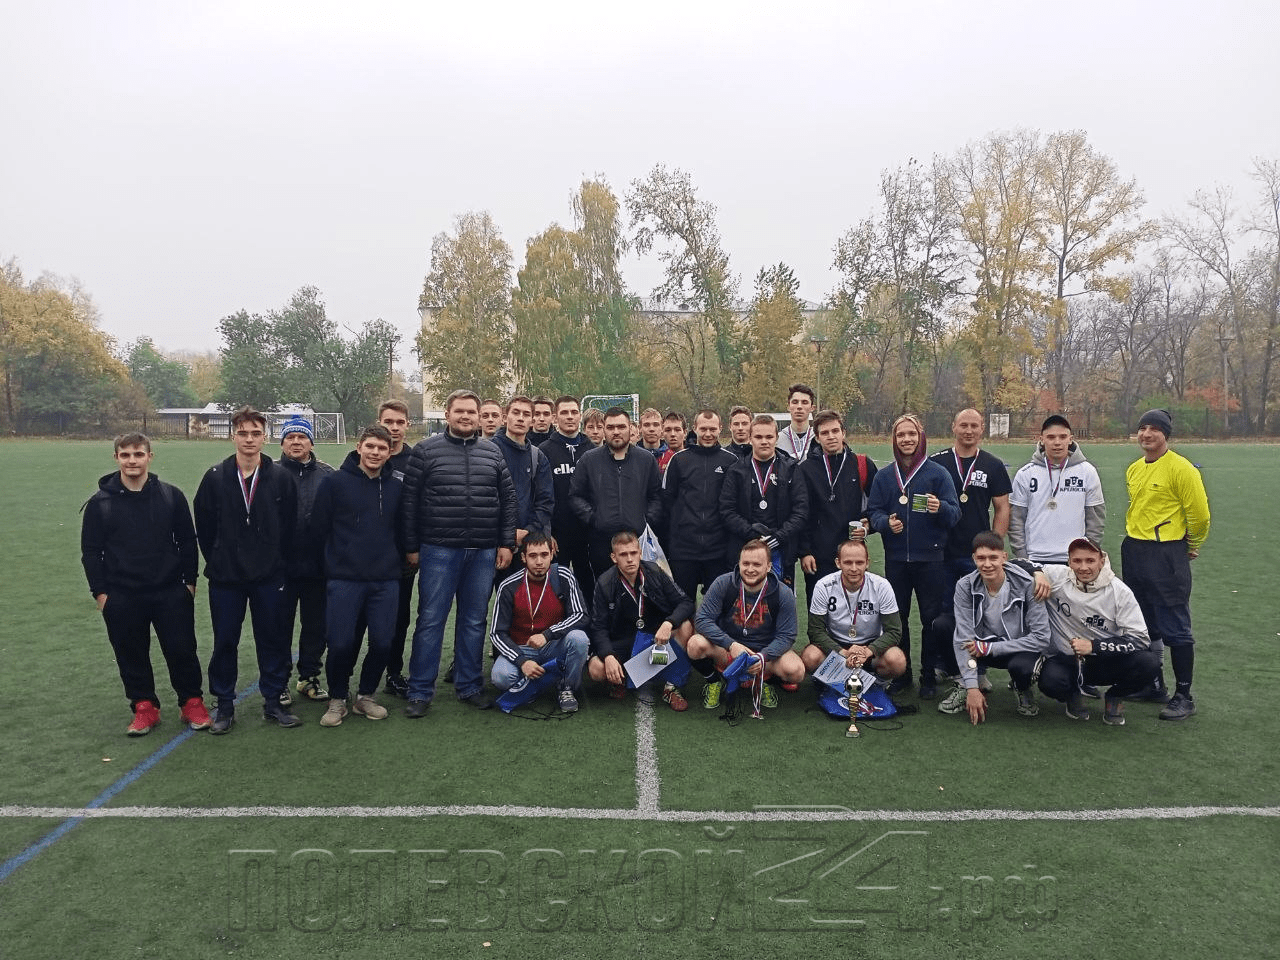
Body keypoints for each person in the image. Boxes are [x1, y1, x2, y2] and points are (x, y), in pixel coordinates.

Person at [80, 433, 211, 736]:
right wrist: (101, 594)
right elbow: (91, 552)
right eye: (125, 455)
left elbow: (187, 542)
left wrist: (189, 583)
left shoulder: (170, 496)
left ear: (150, 457)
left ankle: (191, 702)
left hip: (169, 591)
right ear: (116, 458)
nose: (132, 461)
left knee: (181, 649)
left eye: (138, 454)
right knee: (130, 652)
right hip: (122, 594)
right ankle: (144, 706)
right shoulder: (100, 503)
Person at [398, 390, 518, 716]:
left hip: (482, 552)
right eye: (459, 411)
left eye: (470, 412)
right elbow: (409, 503)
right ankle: (420, 692)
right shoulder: (425, 451)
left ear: (478, 417)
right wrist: (411, 547)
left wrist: (506, 543)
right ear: (447, 415)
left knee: (474, 621)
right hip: (438, 550)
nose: (465, 416)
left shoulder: (492, 452)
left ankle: (470, 686)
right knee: (430, 620)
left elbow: (508, 501)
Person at [194, 407, 300, 733]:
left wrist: (277, 563)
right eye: (243, 433)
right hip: (227, 578)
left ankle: (273, 702)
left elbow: (290, 527)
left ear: (265, 437)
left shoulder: (281, 477)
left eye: (255, 433)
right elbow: (205, 526)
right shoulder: (215, 477)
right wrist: (219, 559)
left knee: (273, 639)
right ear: (233, 436)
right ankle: (224, 705)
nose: (249, 439)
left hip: (269, 576)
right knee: (225, 641)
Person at [1120, 408, 1211, 719]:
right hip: (1135, 550)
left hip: (1166, 553)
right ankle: (1153, 685)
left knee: (1176, 627)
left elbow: (1200, 515)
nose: (1146, 434)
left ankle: (1184, 695)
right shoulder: (1134, 469)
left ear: (1166, 434)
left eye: (1154, 429)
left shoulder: (1182, 469)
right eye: (1142, 428)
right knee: (1143, 623)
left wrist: (1191, 545)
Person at [310, 425, 403, 727]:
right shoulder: (334, 482)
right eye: (370, 446)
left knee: (383, 642)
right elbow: (319, 529)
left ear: (389, 452)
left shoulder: (396, 487)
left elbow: (403, 531)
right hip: (344, 579)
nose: (375, 453)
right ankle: (338, 698)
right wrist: (330, 566)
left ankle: (366, 696)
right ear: (359, 446)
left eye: (382, 448)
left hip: (385, 580)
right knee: (340, 643)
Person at [866, 413, 960, 699]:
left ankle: (928, 676)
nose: (906, 439)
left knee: (931, 620)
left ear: (921, 438)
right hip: (896, 560)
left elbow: (955, 514)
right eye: (901, 435)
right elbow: (873, 512)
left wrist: (940, 508)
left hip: (931, 560)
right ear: (894, 440)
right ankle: (903, 676)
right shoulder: (885, 476)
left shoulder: (938, 474)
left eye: (911, 434)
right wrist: (885, 523)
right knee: (898, 620)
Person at [1027, 537, 1160, 726]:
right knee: (1050, 682)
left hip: (1107, 661)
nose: (1083, 567)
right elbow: (1018, 564)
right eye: (1077, 561)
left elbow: (1140, 640)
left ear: (1102, 561)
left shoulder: (1120, 591)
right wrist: (1038, 573)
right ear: (1069, 562)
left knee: (1149, 663)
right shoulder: (1057, 576)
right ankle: (1072, 695)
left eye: (1090, 560)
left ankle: (1115, 696)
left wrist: (1094, 646)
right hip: (1067, 661)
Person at [929, 408, 1012, 695]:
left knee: (979, 613)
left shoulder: (993, 465)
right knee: (943, 611)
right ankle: (945, 663)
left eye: (974, 426)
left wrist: (994, 546)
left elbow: (1002, 508)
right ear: (953, 426)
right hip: (941, 551)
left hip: (976, 556)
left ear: (981, 429)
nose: (968, 430)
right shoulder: (937, 462)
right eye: (963, 425)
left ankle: (979, 669)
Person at [946, 532, 1051, 725]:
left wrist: (991, 648)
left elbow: (1041, 638)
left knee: (1022, 667)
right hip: (980, 647)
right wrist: (972, 687)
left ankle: (1022, 687)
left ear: (1004, 557)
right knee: (943, 626)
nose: (987, 564)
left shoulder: (1028, 584)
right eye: (981, 558)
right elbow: (964, 637)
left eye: (993, 558)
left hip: (1016, 649)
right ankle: (964, 683)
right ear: (973, 559)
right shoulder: (965, 585)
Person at [688, 540, 804, 711]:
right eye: (746, 563)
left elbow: (787, 635)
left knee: (796, 671)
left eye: (757, 564)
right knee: (694, 644)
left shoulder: (782, 593)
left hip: (764, 655)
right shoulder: (723, 583)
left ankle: (764, 680)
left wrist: (763, 656)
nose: (750, 569)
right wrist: (731, 645)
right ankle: (714, 681)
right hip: (728, 652)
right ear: (739, 563)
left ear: (768, 566)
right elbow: (702, 619)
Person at [588, 531, 698, 711]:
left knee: (685, 626)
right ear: (614, 558)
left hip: (654, 639)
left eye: (633, 553)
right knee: (596, 669)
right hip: (623, 642)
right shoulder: (604, 582)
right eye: (623, 554)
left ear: (640, 553)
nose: (629, 559)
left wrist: (669, 623)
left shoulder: (654, 571)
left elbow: (686, 603)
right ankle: (628, 676)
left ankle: (669, 687)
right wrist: (608, 655)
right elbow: (598, 627)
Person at [489, 533, 590, 713]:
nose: (539, 562)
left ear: (551, 554)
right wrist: (522, 661)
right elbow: (497, 633)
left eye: (544, 555)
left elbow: (581, 614)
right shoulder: (508, 586)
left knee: (579, 639)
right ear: (523, 557)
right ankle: (534, 683)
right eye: (533, 556)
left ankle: (566, 688)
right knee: (501, 677)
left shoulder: (563, 576)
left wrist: (547, 635)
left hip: (553, 645)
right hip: (522, 648)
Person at [277, 415, 334, 705]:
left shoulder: (327, 474)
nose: (296, 442)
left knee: (316, 626)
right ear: (282, 443)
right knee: (279, 626)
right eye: (290, 437)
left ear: (311, 442)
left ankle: (309, 676)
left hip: (318, 567)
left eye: (302, 437)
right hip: (281, 568)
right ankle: (279, 681)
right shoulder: (270, 473)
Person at [569, 407, 663, 583]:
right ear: (604, 430)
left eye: (621, 427)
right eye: (611, 427)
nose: (616, 432)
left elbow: (656, 496)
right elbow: (576, 496)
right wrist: (594, 519)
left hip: (637, 541)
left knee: (639, 589)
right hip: (601, 543)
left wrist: (646, 521)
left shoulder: (646, 460)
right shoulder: (589, 459)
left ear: (631, 428)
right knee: (605, 590)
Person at [719, 414, 809, 588]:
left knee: (780, 599)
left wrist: (779, 537)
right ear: (750, 438)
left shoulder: (791, 468)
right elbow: (727, 510)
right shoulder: (736, 470)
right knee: (746, 600)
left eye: (769, 437)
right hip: (745, 548)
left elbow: (801, 510)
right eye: (758, 437)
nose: (764, 441)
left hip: (781, 549)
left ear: (776, 438)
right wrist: (752, 535)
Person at [797, 409, 877, 598]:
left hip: (853, 556)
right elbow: (800, 513)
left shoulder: (862, 464)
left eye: (835, 431)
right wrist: (804, 552)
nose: (831, 436)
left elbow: (878, 507)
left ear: (843, 433)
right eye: (824, 433)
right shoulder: (805, 469)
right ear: (817, 438)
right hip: (818, 557)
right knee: (820, 610)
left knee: (854, 609)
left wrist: (869, 526)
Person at [802, 539, 907, 682]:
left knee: (897, 660)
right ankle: (831, 680)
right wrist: (842, 652)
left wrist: (868, 651)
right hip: (836, 643)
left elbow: (894, 631)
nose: (853, 568)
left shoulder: (881, 586)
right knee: (810, 657)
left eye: (859, 562)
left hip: (870, 645)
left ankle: (875, 683)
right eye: (848, 562)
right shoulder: (823, 586)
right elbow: (815, 631)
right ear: (838, 563)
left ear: (867, 563)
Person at [661, 409, 738, 604]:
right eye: (703, 429)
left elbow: (735, 504)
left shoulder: (730, 461)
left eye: (712, 429)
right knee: (683, 606)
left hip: (717, 550)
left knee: (717, 606)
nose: (708, 434)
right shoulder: (679, 460)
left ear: (720, 428)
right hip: (684, 550)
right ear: (694, 429)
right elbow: (667, 502)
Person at [1008, 415, 1104, 564]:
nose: (1057, 442)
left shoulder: (1087, 472)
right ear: (1041, 439)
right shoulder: (1025, 473)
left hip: (1074, 559)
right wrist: (1022, 555)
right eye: (1051, 437)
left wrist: (1086, 553)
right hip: (1034, 558)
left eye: (1063, 437)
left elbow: (1095, 519)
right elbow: (1016, 519)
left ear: (1070, 439)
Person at [376, 399, 418, 699]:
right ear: (379, 422)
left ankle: (393, 672)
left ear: (407, 425)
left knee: (399, 617)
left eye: (399, 422)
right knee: (361, 618)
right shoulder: (367, 454)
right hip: (366, 555)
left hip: (402, 554)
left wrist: (413, 546)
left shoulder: (416, 460)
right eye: (388, 422)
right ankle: (352, 677)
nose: (393, 427)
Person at [540, 395, 595, 605]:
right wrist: (546, 531)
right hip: (557, 535)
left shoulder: (593, 449)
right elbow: (540, 495)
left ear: (580, 416)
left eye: (574, 412)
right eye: (564, 412)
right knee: (556, 589)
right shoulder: (544, 450)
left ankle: (590, 625)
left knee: (589, 587)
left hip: (588, 532)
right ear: (555, 418)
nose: (570, 417)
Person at [492, 395, 554, 555]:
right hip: (492, 540)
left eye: (526, 414)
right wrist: (504, 534)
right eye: (516, 413)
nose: (520, 418)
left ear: (532, 421)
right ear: (505, 418)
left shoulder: (537, 457)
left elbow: (545, 500)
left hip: (526, 542)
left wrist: (528, 531)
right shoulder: (488, 451)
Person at [777, 383, 822, 463]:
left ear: (812, 408)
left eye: (804, 402)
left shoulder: (819, 438)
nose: (799, 406)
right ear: (788, 407)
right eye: (795, 402)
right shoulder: (777, 440)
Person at [657, 410, 687, 476]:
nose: (673, 434)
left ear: (685, 433)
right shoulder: (655, 460)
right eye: (668, 430)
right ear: (662, 434)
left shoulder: (694, 460)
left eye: (677, 430)